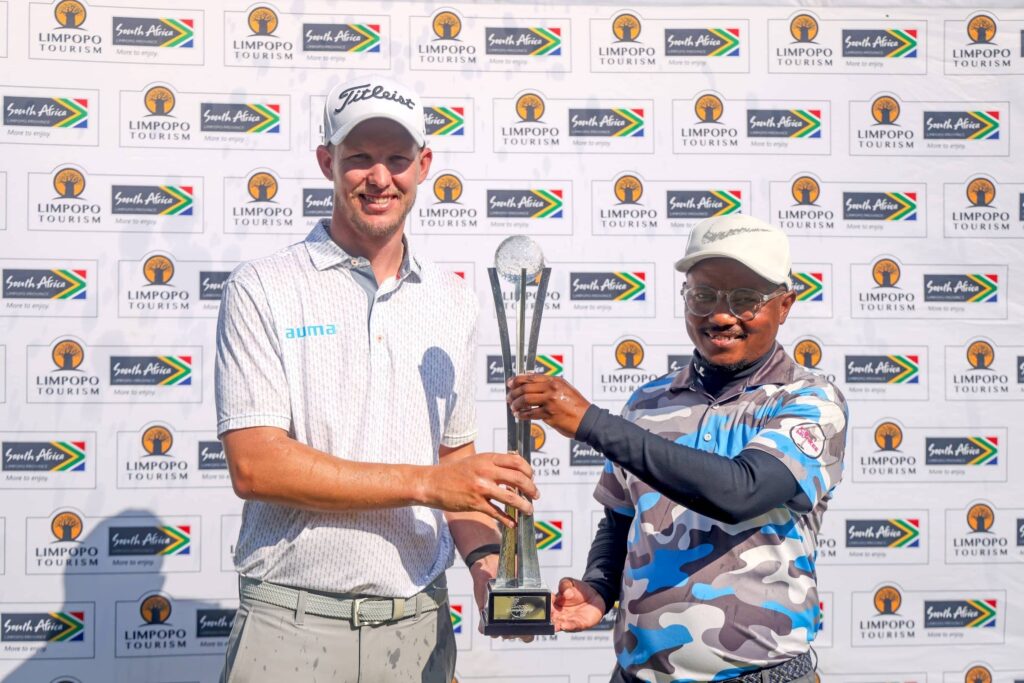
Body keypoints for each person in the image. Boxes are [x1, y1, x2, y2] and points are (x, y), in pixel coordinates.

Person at [214, 75, 537, 683]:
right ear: (326, 162)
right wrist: (431, 483)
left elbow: (454, 463)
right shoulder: (262, 287)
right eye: (359, 158)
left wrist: (489, 565)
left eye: (397, 158)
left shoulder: (452, 302)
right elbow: (256, 466)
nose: (379, 177)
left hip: (418, 626)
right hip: (290, 625)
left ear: (424, 165)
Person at [508, 214, 847, 683]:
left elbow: (741, 492)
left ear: (785, 305)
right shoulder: (647, 403)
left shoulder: (809, 400)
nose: (722, 315)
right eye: (703, 295)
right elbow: (621, 522)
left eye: (746, 299)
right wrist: (599, 590)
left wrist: (589, 423)